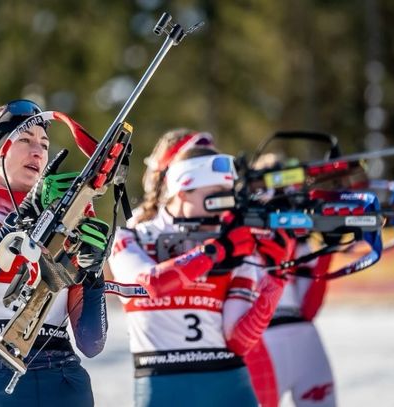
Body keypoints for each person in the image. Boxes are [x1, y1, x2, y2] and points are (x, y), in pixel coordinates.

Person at [0, 100, 109, 407]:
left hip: (66, 381)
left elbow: (91, 342)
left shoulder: (63, 226)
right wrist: (18, 221)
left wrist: (94, 274)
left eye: (44, 143)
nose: (38, 151)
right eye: (25, 140)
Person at [109, 144, 292, 407]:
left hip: (229, 385)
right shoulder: (132, 237)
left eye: (229, 198)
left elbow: (239, 341)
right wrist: (216, 251)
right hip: (163, 385)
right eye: (215, 198)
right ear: (182, 190)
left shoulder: (235, 247)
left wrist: (276, 278)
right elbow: (151, 284)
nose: (224, 210)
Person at [245, 153, 336, 407]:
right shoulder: (240, 231)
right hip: (261, 342)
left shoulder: (300, 238)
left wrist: (330, 247)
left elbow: (309, 308)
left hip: (303, 337)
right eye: (267, 188)